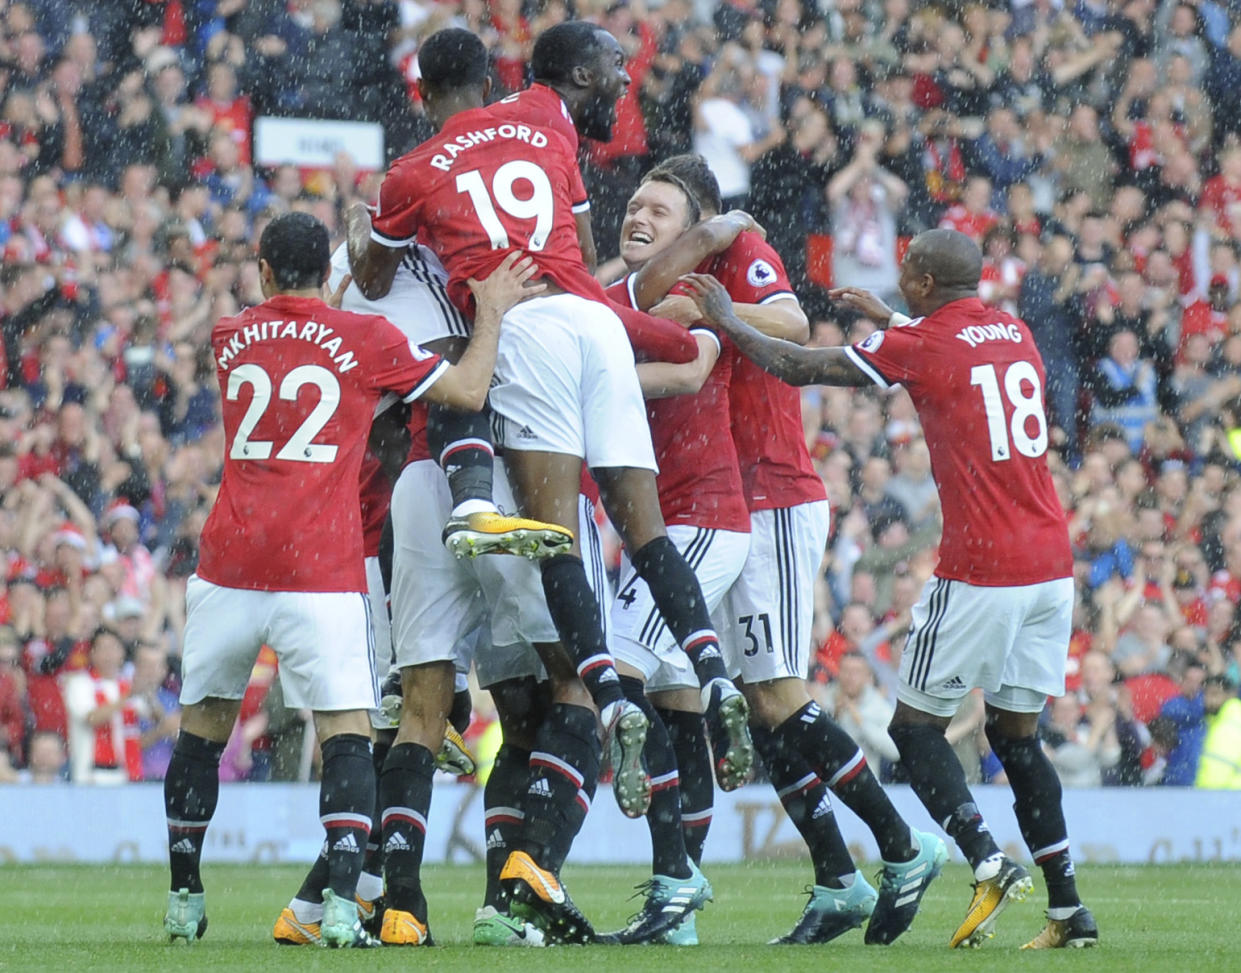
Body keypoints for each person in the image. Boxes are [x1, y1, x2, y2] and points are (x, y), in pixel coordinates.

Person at [347, 25, 753, 859]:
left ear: (419, 95)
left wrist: (366, 229)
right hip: (587, 328)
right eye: (612, 68)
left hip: (499, 372)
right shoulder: (545, 122)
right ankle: (713, 674)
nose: (623, 79)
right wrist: (693, 306)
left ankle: (608, 705)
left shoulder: (413, 177)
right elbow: (591, 261)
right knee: (641, 533)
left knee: (538, 559)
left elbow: (374, 281)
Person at [680, 227, 1099, 950]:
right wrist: (892, 317)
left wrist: (727, 316)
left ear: (927, 285)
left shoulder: (921, 343)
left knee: (912, 729)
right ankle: (1068, 910)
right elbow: (952, 351)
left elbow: (796, 363)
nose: (897, 274)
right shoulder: (1011, 328)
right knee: (1015, 737)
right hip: (1049, 563)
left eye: (906, 270)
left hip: (981, 565)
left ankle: (985, 858)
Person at [160, 210, 538, 947]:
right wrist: (488, 311)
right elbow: (464, 389)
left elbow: (290, 337)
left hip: (227, 565)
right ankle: (338, 907)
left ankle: (183, 895)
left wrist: (316, 295)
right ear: (325, 276)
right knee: (347, 736)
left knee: (201, 733)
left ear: (264, 271)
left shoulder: (228, 337)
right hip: (318, 568)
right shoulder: (365, 341)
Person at [618, 154, 945, 947]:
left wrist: (715, 308)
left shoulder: (736, 255)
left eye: (658, 210)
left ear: (699, 224)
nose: (637, 219)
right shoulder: (652, 275)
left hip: (769, 498)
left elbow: (794, 326)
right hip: (713, 499)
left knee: (775, 696)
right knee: (725, 705)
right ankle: (831, 875)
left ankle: (904, 845)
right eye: (633, 206)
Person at [1195, 674, 1241, 788]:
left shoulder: (1230, 725)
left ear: (1230, 695)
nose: (1209, 700)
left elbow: (1217, 772)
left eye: (1215, 694)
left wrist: (1204, 798)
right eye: (1206, 694)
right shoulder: (1218, 721)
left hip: (1225, 798)